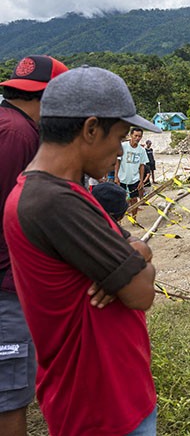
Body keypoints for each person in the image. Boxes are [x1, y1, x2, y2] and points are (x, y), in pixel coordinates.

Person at [3, 65, 159, 436]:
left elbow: (138, 250)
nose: (119, 150)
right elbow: (142, 293)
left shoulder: (66, 192)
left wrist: (136, 254)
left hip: (114, 398)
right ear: (90, 129)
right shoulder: (54, 202)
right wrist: (133, 261)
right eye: (119, 136)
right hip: (100, 407)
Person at [0, 55, 68, 436]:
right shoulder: (19, 135)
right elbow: (18, 209)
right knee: (9, 397)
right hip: (6, 284)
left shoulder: (8, 124)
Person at [114, 127, 148, 215]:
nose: (137, 138)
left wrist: (141, 181)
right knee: (120, 199)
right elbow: (117, 161)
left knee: (134, 199)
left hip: (134, 179)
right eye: (135, 136)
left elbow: (142, 166)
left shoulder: (142, 150)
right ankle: (119, 219)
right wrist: (116, 176)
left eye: (139, 136)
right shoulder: (123, 146)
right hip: (121, 178)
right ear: (131, 135)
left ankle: (134, 218)